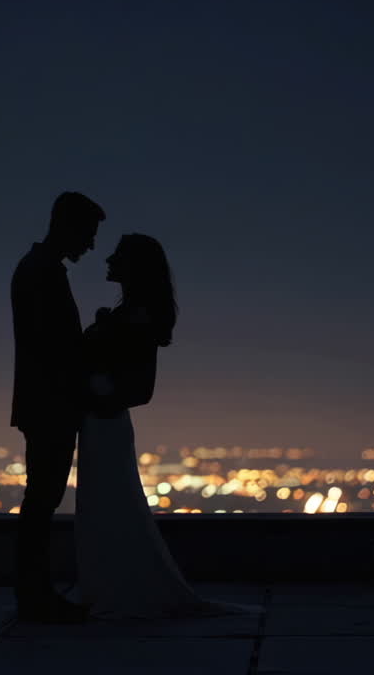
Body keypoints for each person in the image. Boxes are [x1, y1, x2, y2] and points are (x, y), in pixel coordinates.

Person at [75, 234, 260, 618]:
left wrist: (99, 385)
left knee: (110, 501)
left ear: (134, 266)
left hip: (106, 418)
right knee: (107, 501)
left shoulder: (136, 317)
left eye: (118, 256)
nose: (108, 259)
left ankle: (117, 584)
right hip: (101, 420)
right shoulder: (131, 314)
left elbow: (140, 387)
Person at [10, 191, 104, 623]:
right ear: (68, 226)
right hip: (50, 404)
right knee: (42, 499)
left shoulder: (37, 269)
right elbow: (53, 346)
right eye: (88, 234)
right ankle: (35, 594)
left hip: (44, 403)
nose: (90, 245)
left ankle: (34, 591)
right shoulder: (42, 272)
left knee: (41, 498)